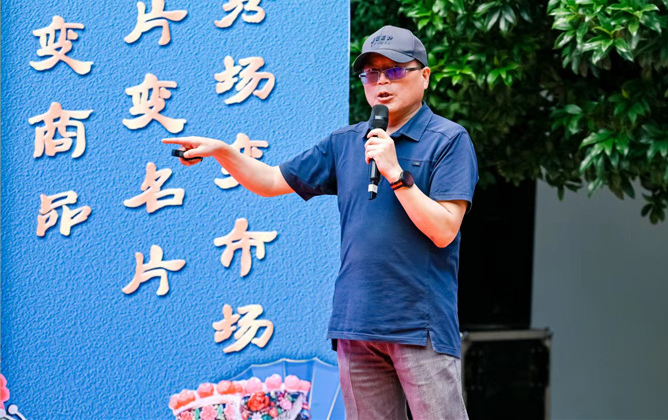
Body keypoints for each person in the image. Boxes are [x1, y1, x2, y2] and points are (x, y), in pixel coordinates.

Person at [163, 25, 478, 420]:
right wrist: (224, 152)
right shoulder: (346, 142)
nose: (382, 82)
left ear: (425, 76)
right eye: (371, 73)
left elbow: (444, 229)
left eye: (395, 70)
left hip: (419, 325)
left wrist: (395, 173)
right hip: (355, 324)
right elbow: (271, 181)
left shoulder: (449, 140)